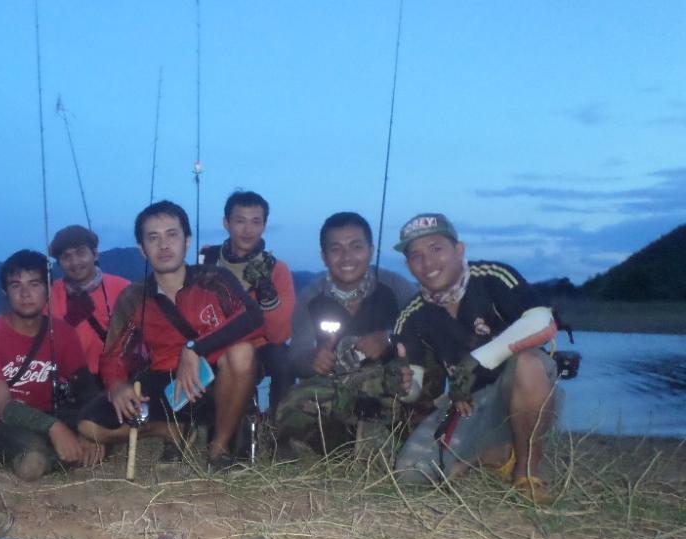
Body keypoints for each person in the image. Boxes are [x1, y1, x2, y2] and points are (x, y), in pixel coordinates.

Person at [78, 200, 263, 468]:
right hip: (167, 389)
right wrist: (117, 385)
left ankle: (218, 447)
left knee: (243, 353)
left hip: (214, 383)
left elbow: (253, 317)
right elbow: (114, 355)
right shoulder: (134, 297)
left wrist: (194, 348)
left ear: (187, 241)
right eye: (153, 238)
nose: (163, 245)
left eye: (172, 234)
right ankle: (170, 431)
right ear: (142, 249)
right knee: (88, 425)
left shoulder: (214, 279)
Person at [392, 213, 561, 503]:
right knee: (409, 472)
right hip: (468, 404)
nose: (428, 263)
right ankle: (493, 454)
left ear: (459, 250)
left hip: (524, 388)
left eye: (436, 249)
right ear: (409, 266)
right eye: (416, 256)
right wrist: (404, 385)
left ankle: (526, 473)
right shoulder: (411, 315)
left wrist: (477, 360)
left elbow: (543, 321)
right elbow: (413, 386)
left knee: (528, 363)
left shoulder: (493, 277)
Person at [277, 212, 413, 453]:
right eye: (336, 249)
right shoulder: (310, 296)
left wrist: (389, 338)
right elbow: (297, 354)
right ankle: (341, 442)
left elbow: (423, 332)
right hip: (333, 386)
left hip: (387, 385)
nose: (347, 257)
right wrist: (313, 360)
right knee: (291, 415)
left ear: (371, 250)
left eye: (356, 246)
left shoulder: (396, 287)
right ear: (324, 256)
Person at [0, 250, 103, 480]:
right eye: (16, 285)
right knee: (32, 461)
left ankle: (67, 453)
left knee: (107, 434)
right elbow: (4, 408)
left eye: (35, 284)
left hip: (48, 415)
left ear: (48, 290)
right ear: (5, 292)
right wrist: (55, 428)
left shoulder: (63, 333)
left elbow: (86, 390)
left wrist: (92, 433)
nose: (26, 294)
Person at [200, 190, 296, 415]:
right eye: (240, 221)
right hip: (214, 345)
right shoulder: (207, 260)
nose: (248, 230)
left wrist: (268, 297)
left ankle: (278, 426)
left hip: (259, 347)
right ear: (226, 223)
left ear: (264, 225)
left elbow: (280, 335)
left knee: (284, 360)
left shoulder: (277, 269)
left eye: (256, 222)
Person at [48, 224, 131, 379]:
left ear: (95, 254)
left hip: (122, 377)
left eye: (81, 253)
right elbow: (42, 348)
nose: (75, 262)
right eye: (66, 257)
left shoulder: (124, 288)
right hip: (73, 384)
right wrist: (68, 324)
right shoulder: (49, 296)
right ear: (58, 263)